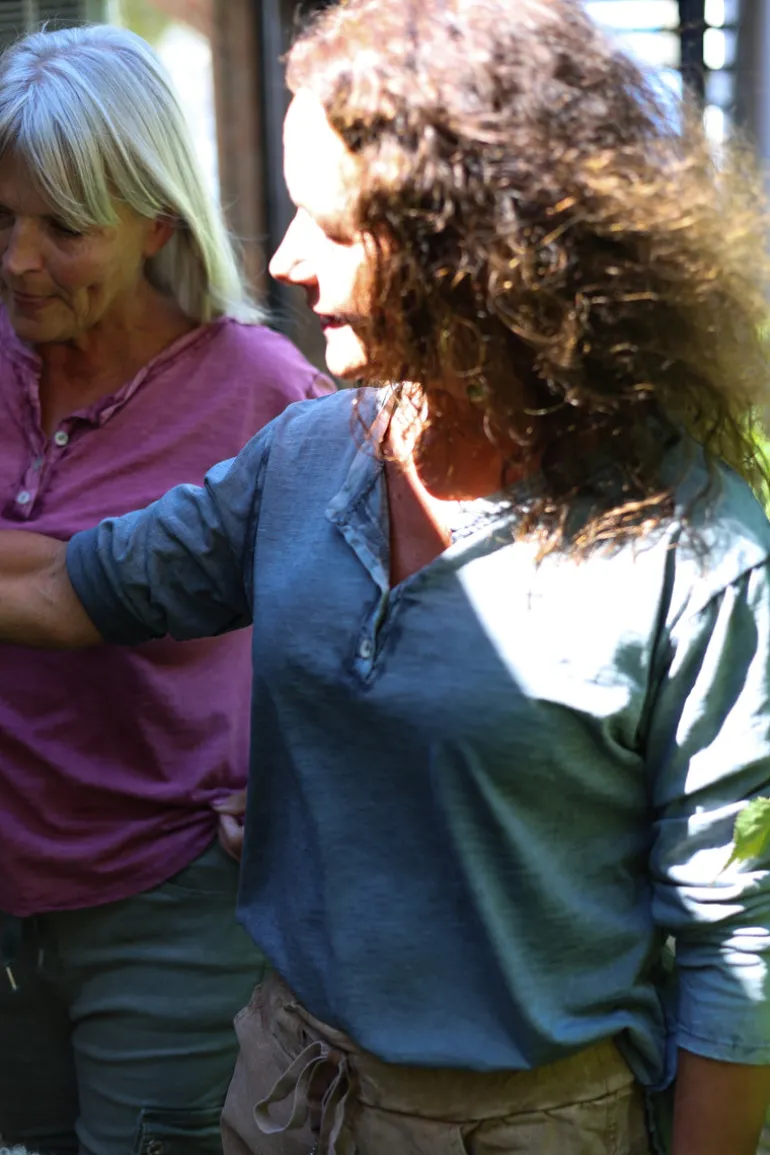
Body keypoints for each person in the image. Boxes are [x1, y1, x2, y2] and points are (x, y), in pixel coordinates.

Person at [1, 0, 770, 1152]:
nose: (280, 260)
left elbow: (737, 947)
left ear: (481, 252)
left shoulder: (689, 547)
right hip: (286, 1093)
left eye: (331, 228)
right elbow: (76, 591)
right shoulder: (307, 455)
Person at [0, 23, 330, 1155]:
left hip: (168, 898)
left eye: (63, 227)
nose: (18, 259)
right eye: (0, 217)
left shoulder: (263, 392)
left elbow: (359, 631)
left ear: (155, 219)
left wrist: (289, 779)